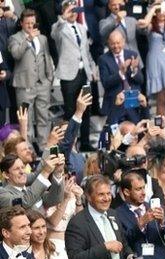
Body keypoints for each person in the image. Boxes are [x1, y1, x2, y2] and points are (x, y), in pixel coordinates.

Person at [51, 0, 97, 152]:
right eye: (71, 10)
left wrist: (92, 69)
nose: (74, 13)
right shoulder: (59, 27)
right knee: (71, 111)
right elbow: (54, 34)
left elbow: (86, 51)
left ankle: (85, 142)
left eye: (75, 10)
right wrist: (63, 17)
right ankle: (71, 143)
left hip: (83, 72)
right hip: (68, 74)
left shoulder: (82, 28)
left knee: (86, 109)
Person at [9, 9, 54, 148]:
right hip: (25, 85)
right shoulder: (15, 38)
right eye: (27, 23)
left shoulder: (42, 38)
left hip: (42, 84)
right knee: (25, 120)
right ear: (21, 23)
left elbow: (46, 58)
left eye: (33, 23)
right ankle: (27, 149)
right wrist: (27, 39)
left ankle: (43, 147)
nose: (30, 26)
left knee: (43, 117)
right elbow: (16, 54)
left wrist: (49, 78)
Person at [139, 5, 165, 120]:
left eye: (162, 10)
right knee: (161, 99)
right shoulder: (151, 25)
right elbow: (143, 24)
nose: (161, 13)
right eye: (159, 11)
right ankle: (162, 130)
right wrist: (153, 9)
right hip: (157, 64)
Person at [98, 30, 144, 126]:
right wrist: (121, 72)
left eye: (118, 43)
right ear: (108, 44)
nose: (116, 46)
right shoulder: (103, 59)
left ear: (123, 41)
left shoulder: (132, 55)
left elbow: (141, 80)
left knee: (136, 132)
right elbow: (105, 83)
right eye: (112, 43)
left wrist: (133, 69)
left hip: (133, 101)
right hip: (115, 103)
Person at [0, 153, 65, 210]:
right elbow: (25, 202)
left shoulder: (31, 189)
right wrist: (45, 172)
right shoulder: (3, 195)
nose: (22, 171)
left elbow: (55, 199)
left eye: (22, 167)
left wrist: (58, 173)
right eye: (17, 169)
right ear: (5, 175)